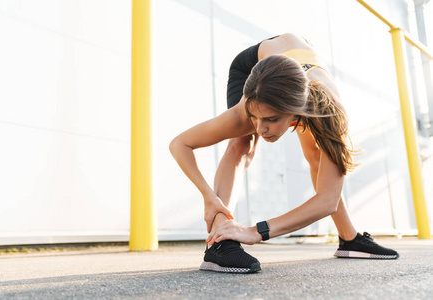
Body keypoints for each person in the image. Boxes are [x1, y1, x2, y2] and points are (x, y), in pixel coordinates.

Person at [169, 33, 399, 274]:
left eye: (272, 119)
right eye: (255, 117)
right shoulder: (247, 109)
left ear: (295, 112)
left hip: (297, 69)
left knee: (316, 155)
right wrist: (209, 198)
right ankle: (220, 244)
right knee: (242, 143)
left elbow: (327, 201)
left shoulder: (330, 111)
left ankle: (349, 239)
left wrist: (255, 232)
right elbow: (180, 144)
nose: (261, 128)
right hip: (254, 65)